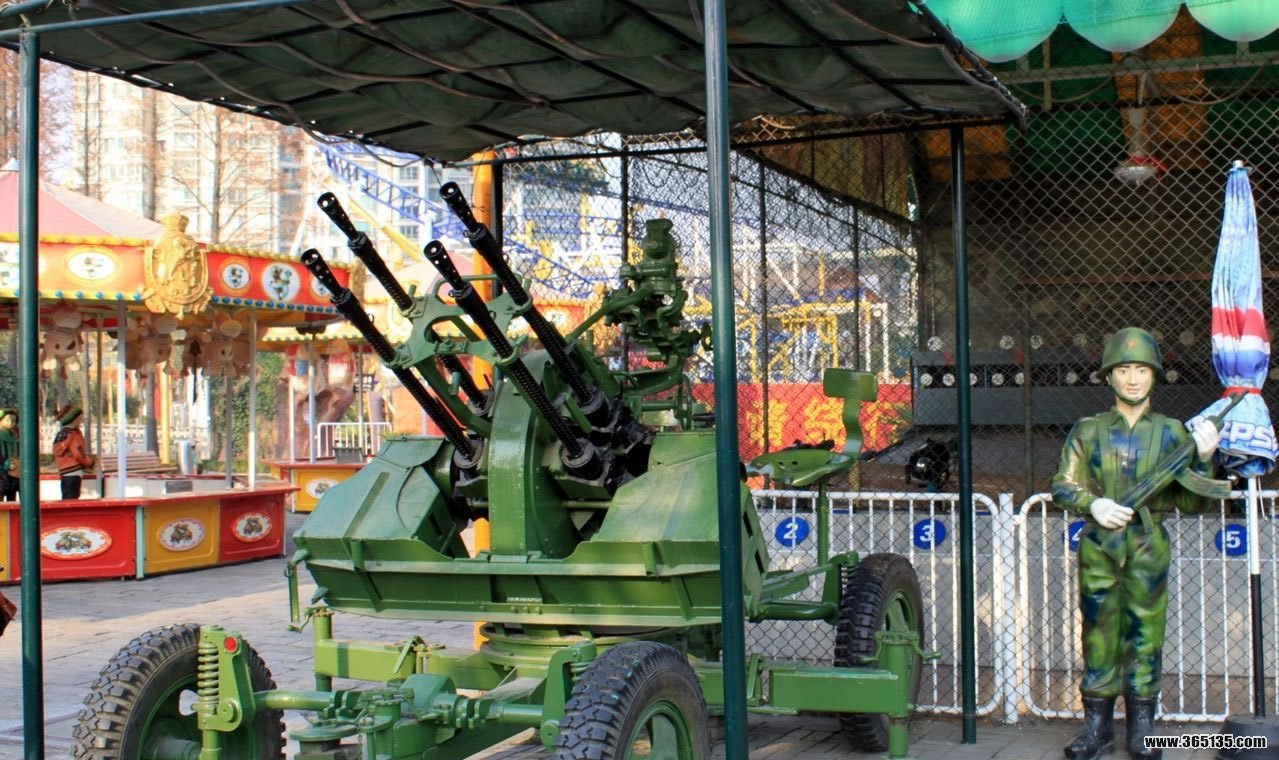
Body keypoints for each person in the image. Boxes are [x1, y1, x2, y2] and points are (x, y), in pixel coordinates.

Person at [1052, 327, 1220, 760]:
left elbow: (1193, 503)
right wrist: (1093, 504)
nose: (1132, 379)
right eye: (1123, 369)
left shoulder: (1172, 433)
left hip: (1148, 543)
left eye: (1141, 370)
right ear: (1109, 376)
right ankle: (1097, 728)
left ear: (1154, 376)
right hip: (1100, 544)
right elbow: (1063, 485)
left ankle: (1143, 725)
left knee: (1146, 631)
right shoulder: (1088, 431)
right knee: (1098, 632)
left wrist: (1205, 459)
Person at [52, 404, 96, 500]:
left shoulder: (62, 434)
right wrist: (90, 463)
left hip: (64, 471)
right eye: (80, 417)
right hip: (74, 471)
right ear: (74, 419)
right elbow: (78, 454)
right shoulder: (74, 435)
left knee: (66, 497)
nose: (81, 420)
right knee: (72, 499)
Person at [0, 408, 18, 501]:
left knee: (12, 496)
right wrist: (5, 463)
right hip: (2, 471)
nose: (11, 422)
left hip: (13, 470)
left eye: (13, 420)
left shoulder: (15, 436)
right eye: (7, 420)